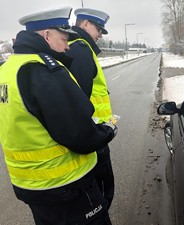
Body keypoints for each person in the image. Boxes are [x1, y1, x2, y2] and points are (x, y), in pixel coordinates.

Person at [0, 6, 117, 225]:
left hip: (30, 185)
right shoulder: (43, 70)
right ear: (47, 35)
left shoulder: (7, 69)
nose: (66, 47)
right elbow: (79, 134)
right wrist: (108, 131)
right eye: (64, 39)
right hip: (65, 185)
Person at [66, 8, 115, 209]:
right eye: (99, 29)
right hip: (93, 133)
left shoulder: (78, 46)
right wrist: (95, 134)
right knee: (102, 191)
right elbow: (78, 99)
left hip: (94, 131)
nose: (100, 35)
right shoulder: (80, 48)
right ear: (84, 24)